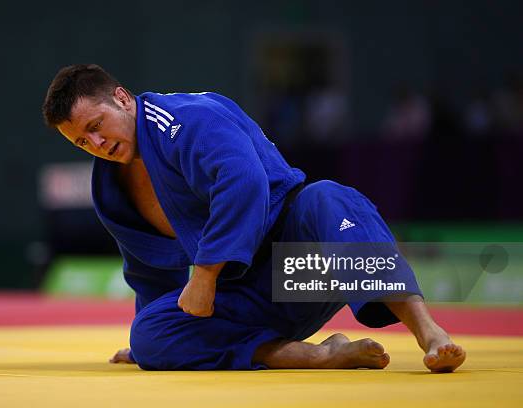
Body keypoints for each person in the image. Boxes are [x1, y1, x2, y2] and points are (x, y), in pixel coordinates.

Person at [42, 64, 466, 372]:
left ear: (121, 98)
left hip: (303, 264)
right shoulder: (109, 187)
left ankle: (429, 332)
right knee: (148, 335)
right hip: (243, 297)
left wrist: (205, 273)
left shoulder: (186, 119)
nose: (96, 142)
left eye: (97, 125)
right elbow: (146, 266)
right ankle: (319, 355)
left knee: (327, 198)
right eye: (82, 141)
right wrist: (159, 336)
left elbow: (243, 181)